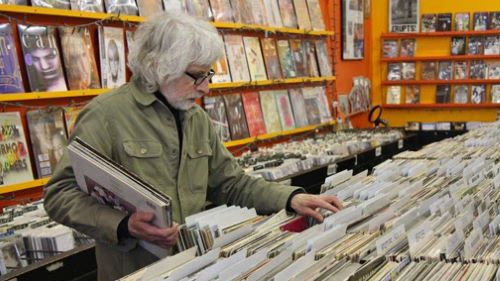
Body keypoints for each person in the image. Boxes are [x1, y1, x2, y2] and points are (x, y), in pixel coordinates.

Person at [43, 12, 343, 281]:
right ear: (160, 67)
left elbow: (231, 183)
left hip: (196, 266)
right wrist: (122, 224)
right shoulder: (107, 115)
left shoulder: (195, 118)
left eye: (209, 75)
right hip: (135, 272)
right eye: (198, 75)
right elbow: (60, 194)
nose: (206, 87)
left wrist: (291, 198)